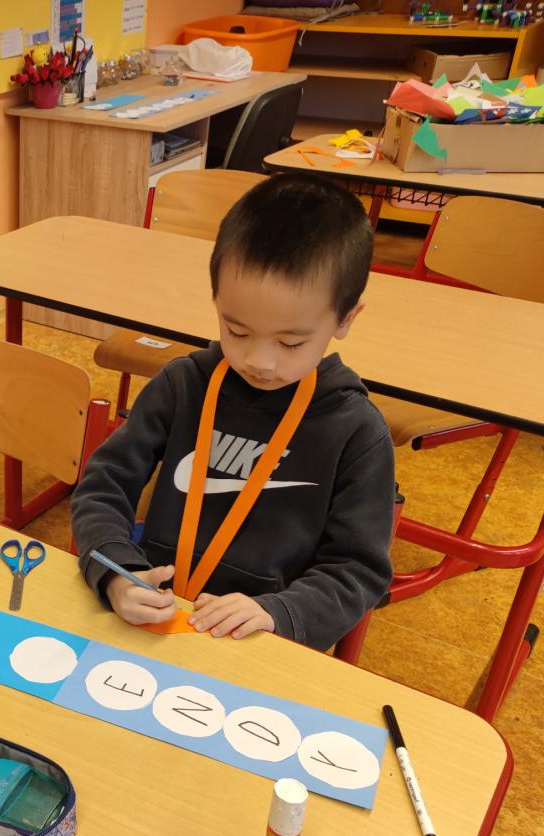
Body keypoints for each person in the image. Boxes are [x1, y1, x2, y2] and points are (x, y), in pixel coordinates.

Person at [71, 173, 395, 651]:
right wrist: (117, 572)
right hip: (154, 618)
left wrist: (279, 612)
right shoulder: (183, 386)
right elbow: (103, 486)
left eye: (290, 342)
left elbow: (358, 570)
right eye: (236, 331)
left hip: (261, 641)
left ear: (345, 318)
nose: (258, 361)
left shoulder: (355, 431)